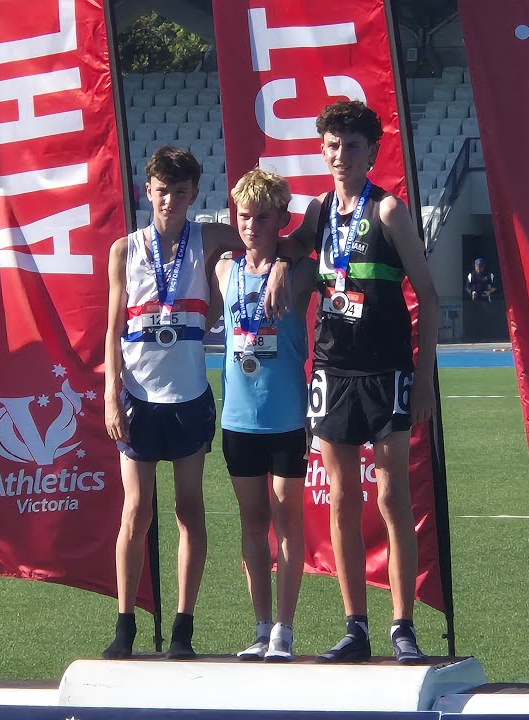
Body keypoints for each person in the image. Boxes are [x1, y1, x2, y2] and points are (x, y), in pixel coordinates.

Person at [102, 146, 296, 661]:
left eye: (180, 193)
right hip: (138, 398)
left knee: (190, 510)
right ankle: (125, 625)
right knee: (136, 511)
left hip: (189, 398)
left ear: (193, 196)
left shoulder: (209, 237)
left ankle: (184, 627)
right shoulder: (124, 250)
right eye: (162, 191)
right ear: (148, 191)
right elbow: (112, 327)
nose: (170, 201)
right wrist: (109, 394)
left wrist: (279, 265)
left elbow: (277, 240)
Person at [273, 99, 439, 665]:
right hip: (332, 371)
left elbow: (432, 299)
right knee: (342, 499)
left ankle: (402, 626)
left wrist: (422, 382)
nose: (340, 155)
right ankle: (355, 626)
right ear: (322, 150)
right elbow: (290, 245)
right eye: (332, 145)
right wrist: (278, 264)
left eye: (352, 146)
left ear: (372, 153)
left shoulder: (389, 212)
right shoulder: (319, 209)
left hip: (387, 370)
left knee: (392, 498)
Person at [214, 168, 317, 662]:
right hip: (238, 417)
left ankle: (285, 629)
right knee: (252, 522)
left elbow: (312, 246)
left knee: (286, 519)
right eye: (244, 216)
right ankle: (259, 627)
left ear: (280, 219)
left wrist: (283, 261)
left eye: (262, 217)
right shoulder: (223, 270)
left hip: (285, 417)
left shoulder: (299, 274)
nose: (250, 226)